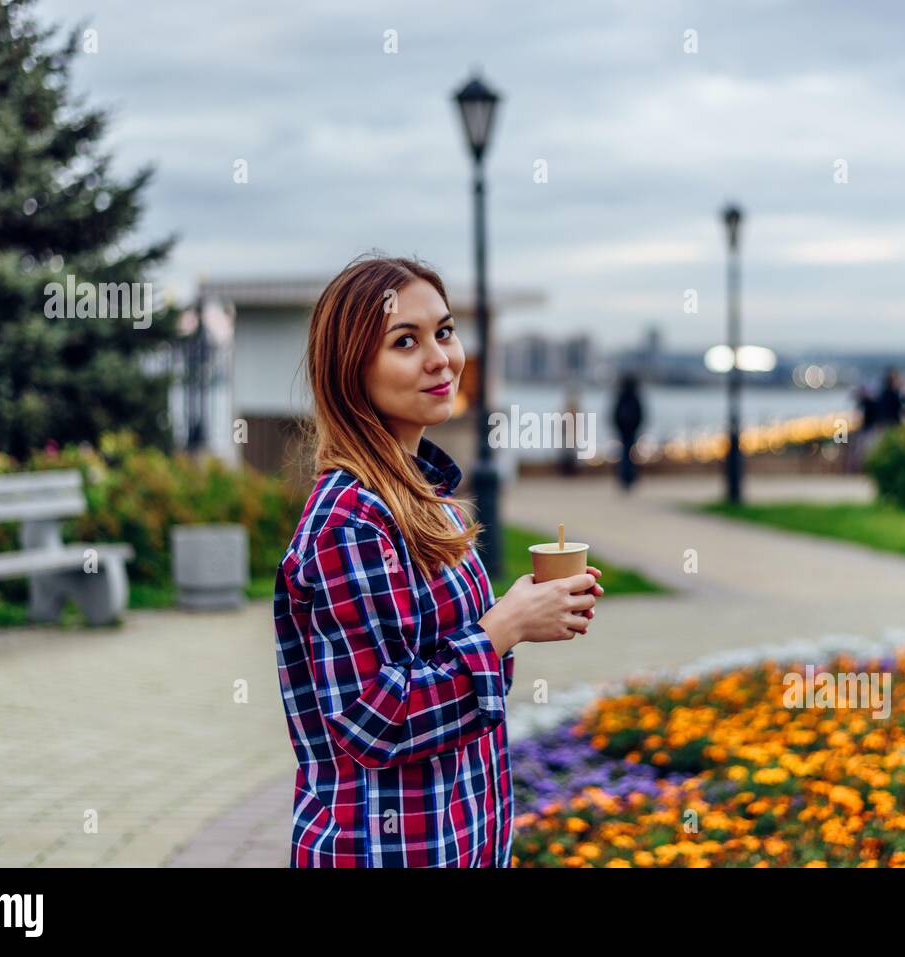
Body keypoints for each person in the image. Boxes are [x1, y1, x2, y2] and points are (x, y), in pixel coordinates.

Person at [275, 255, 604, 867]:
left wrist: (521, 612)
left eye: (445, 332)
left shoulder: (430, 503)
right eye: (406, 342)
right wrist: (503, 627)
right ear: (352, 369)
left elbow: (454, 672)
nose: (441, 359)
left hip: (460, 838)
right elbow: (377, 719)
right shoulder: (350, 520)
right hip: (384, 848)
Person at [612, 373, 644, 492]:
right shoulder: (634, 397)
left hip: (623, 431)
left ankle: (624, 477)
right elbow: (641, 415)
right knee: (631, 454)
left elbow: (614, 414)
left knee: (624, 454)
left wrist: (618, 427)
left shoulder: (621, 396)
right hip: (632, 430)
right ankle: (629, 477)